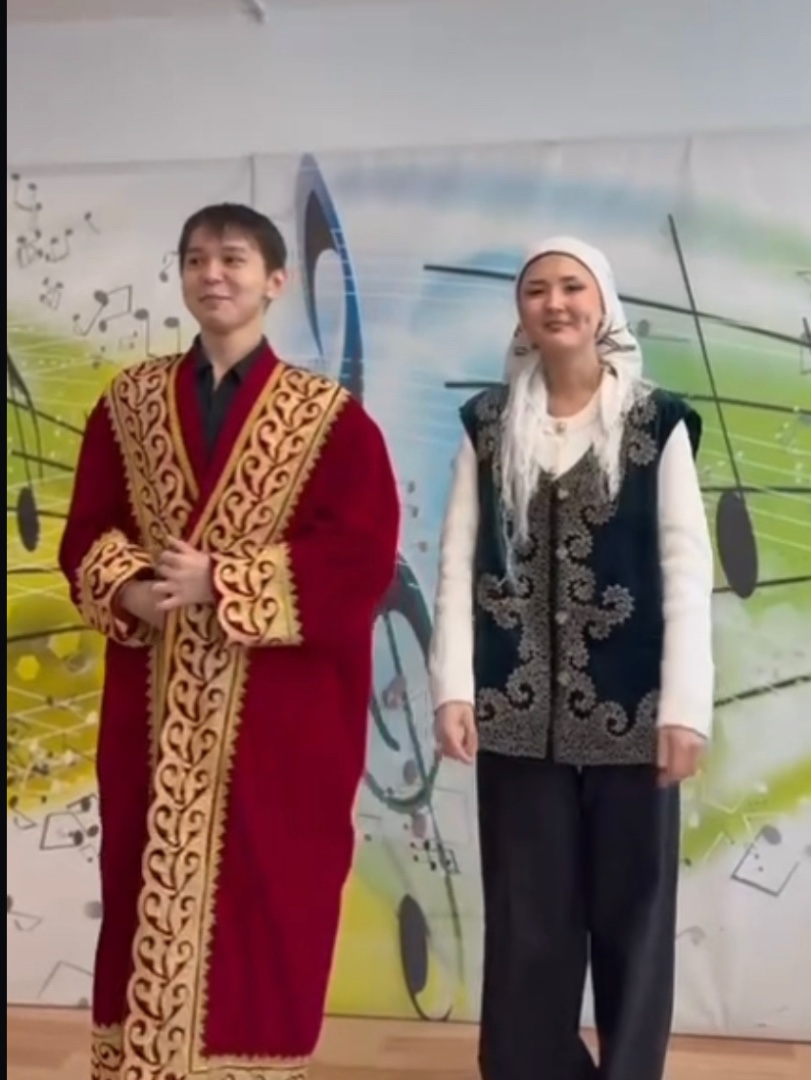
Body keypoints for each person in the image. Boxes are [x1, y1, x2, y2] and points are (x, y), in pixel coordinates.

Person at [58, 203, 401, 1080]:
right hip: (152, 703)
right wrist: (132, 588)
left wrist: (225, 581)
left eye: (234, 259)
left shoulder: (329, 419)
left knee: (270, 899)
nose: (213, 274)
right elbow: (89, 528)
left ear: (275, 280)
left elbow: (360, 558)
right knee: (138, 885)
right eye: (196, 259)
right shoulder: (131, 403)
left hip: (275, 721)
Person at [429, 236, 715, 1080]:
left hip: (633, 711)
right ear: (519, 311)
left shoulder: (656, 423)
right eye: (536, 290)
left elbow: (685, 570)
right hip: (513, 710)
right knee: (528, 917)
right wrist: (452, 689)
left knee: (633, 914)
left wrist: (683, 710)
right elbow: (455, 563)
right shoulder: (488, 427)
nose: (554, 303)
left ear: (602, 304)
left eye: (570, 287)